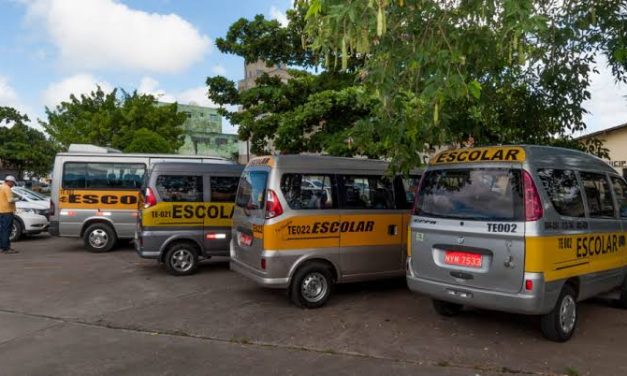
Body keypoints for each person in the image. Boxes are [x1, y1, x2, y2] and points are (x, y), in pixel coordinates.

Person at [0, 175, 19, 254]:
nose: (13, 185)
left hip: (1, 211)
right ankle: (6, 248)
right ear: (9, 182)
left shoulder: (1, 187)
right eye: (13, 183)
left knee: (2, 230)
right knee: (6, 230)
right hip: (7, 212)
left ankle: (2, 246)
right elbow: (10, 200)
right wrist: (18, 199)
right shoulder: (7, 188)